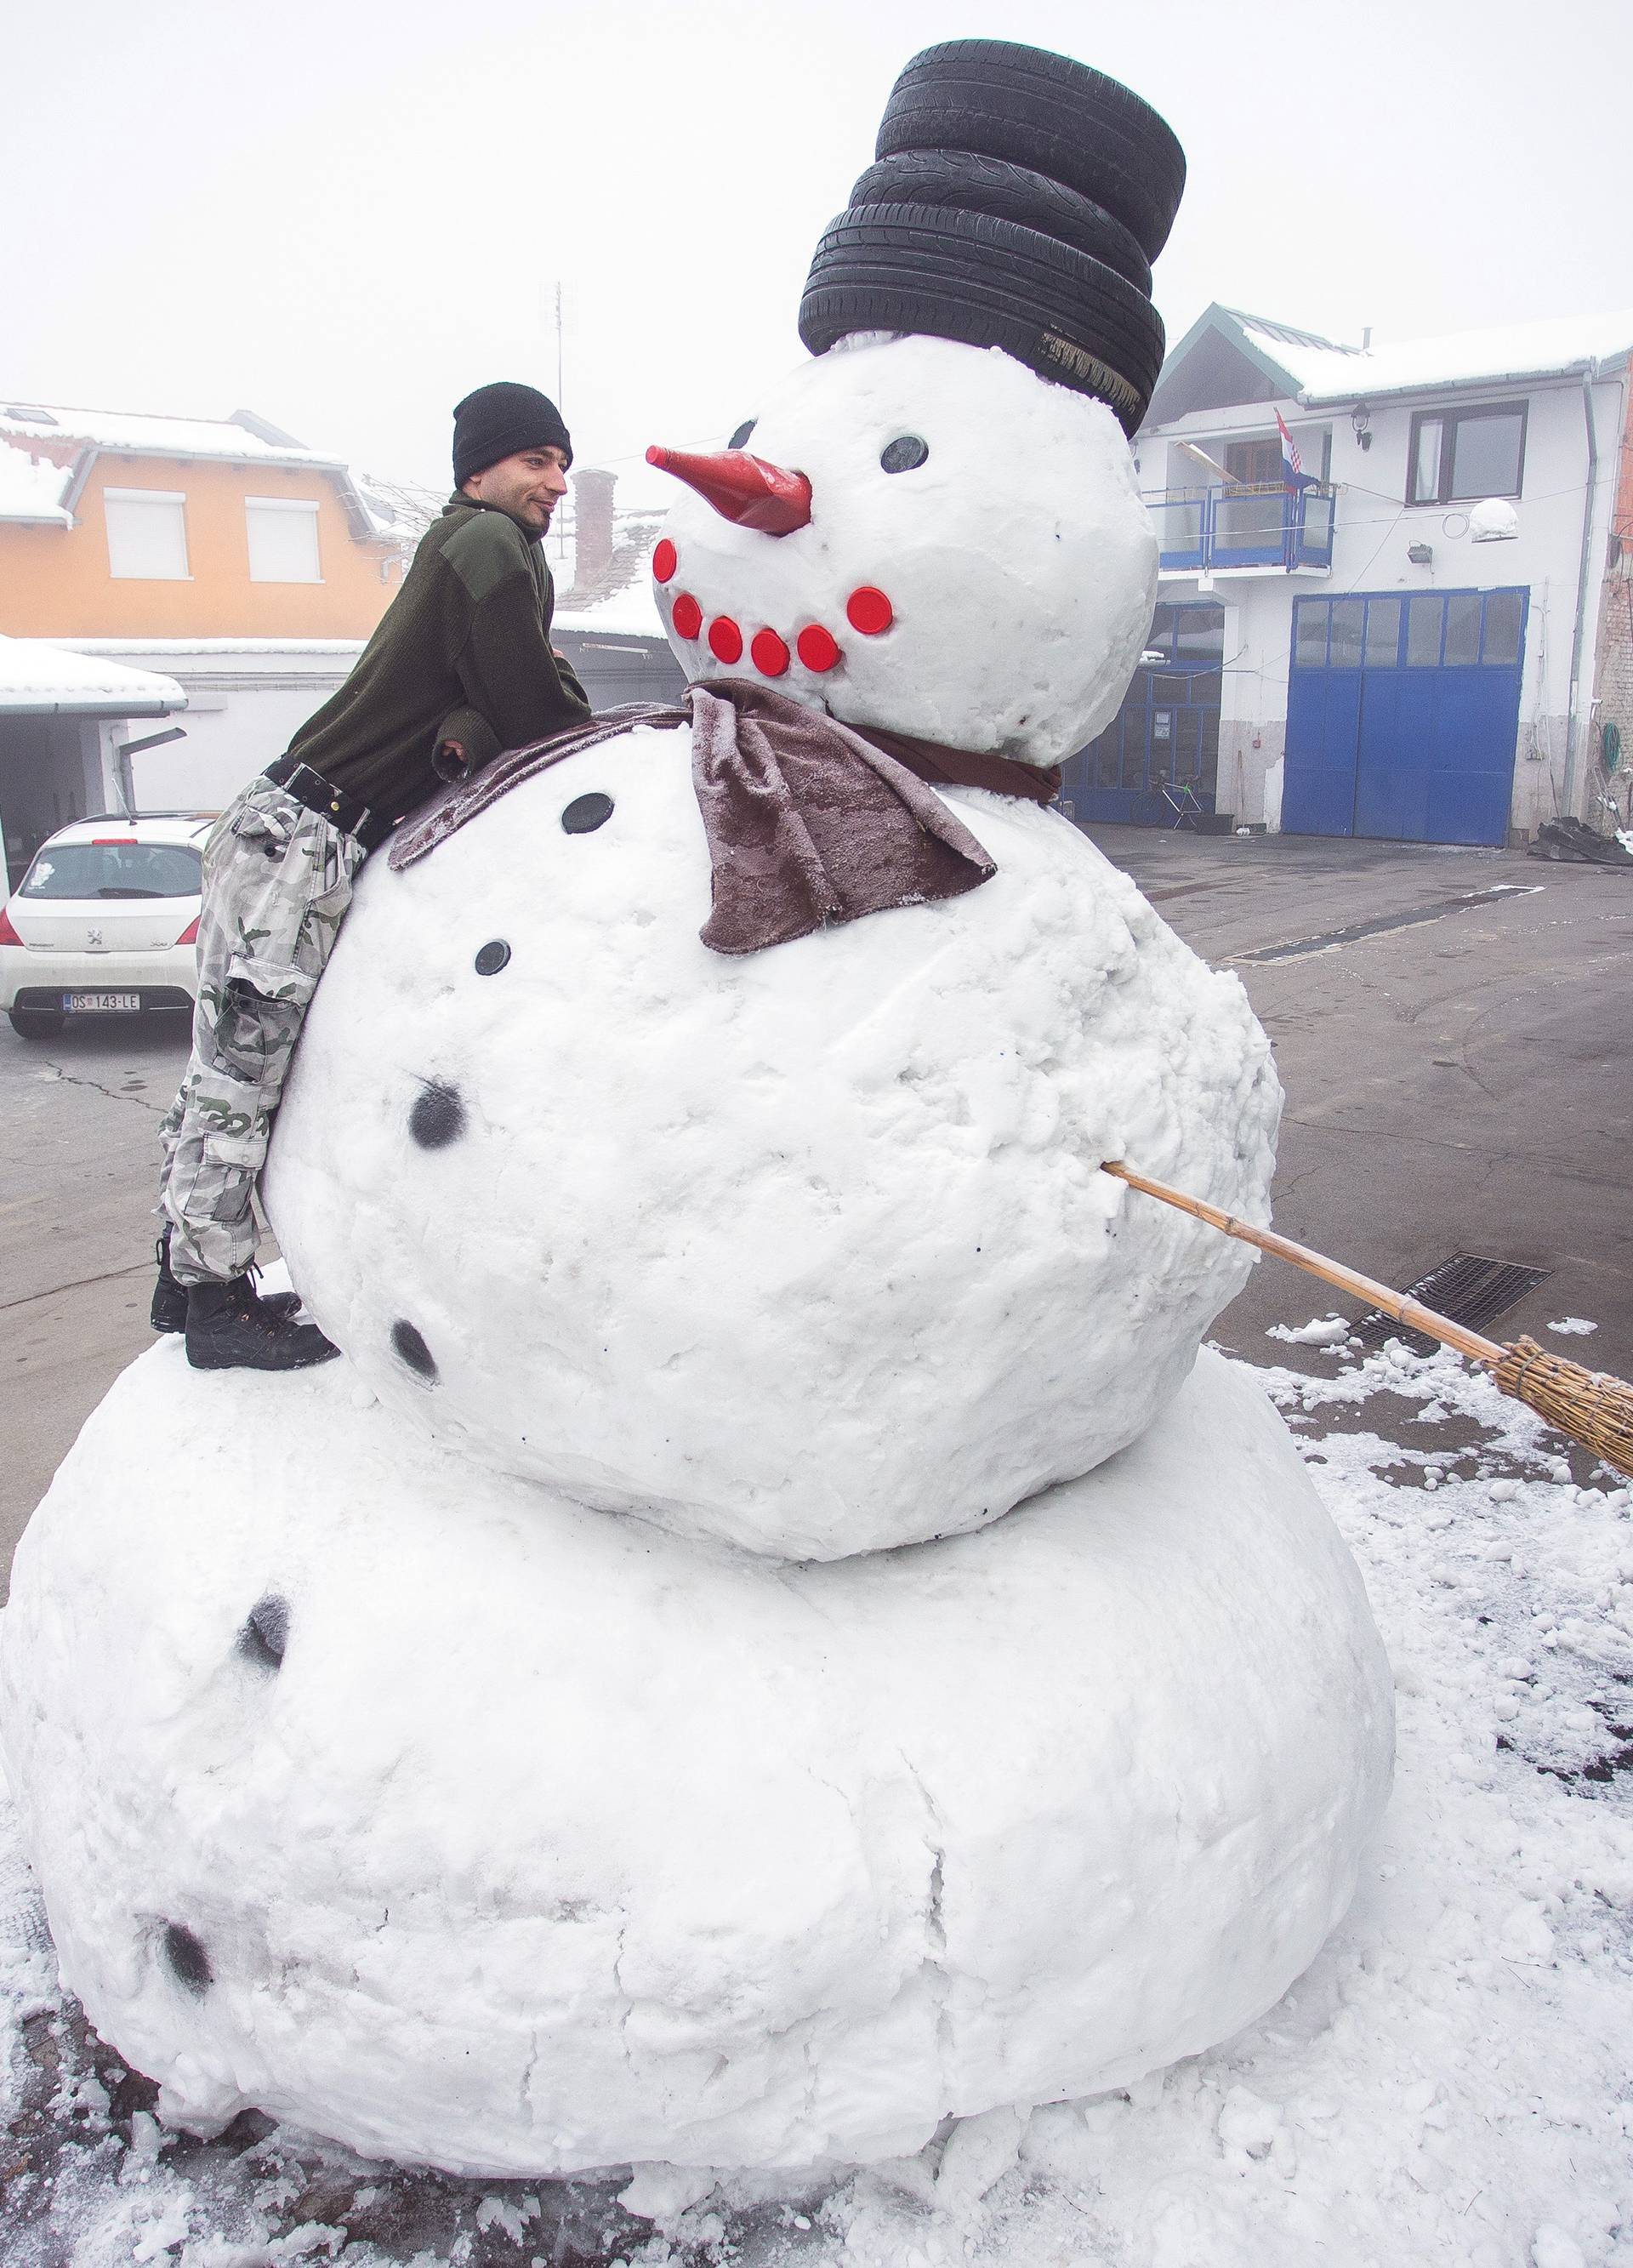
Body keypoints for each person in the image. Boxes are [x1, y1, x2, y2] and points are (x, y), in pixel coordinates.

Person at [152, 380, 591, 1370]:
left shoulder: (478, 547)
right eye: (535, 461)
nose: (554, 482)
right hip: (299, 840)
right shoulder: (484, 543)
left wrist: (469, 725)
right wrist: (566, 731)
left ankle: (187, 1276)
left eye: (562, 462)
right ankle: (215, 1303)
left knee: (225, 1063)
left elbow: (491, 691)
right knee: (241, 1071)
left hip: (295, 830)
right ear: (478, 471)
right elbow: (530, 697)